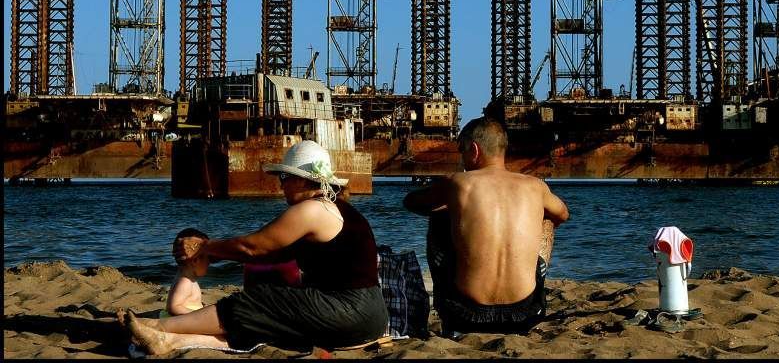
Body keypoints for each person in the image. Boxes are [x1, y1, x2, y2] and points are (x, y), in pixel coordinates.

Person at [119, 140, 389, 355]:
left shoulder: (314, 209)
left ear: (305, 180)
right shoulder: (334, 209)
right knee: (262, 326)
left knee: (259, 302)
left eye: (285, 177)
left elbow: (253, 247)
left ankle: (157, 325)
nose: (280, 184)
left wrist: (206, 248)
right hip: (365, 316)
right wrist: (214, 255)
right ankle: (169, 341)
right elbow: (269, 254)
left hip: (349, 311)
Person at [403, 116, 569, 336]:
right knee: (546, 219)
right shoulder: (535, 186)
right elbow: (563, 214)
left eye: (462, 150)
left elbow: (411, 202)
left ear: (474, 150)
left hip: (464, 315)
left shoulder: (458, 183)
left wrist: (453, 206)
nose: (462, 158)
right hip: (526, 314)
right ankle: (532, 276)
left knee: (438, 216)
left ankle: (448, 318)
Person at [164, 228, 210, 317]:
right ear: (195, 260)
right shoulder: (185, 282)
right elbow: (173, 307)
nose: (209, 264)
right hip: (180, 321)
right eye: (208, 260)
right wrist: (200, 314)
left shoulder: (185, 277)